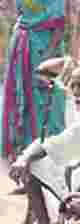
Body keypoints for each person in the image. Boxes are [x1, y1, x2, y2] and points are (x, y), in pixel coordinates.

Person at [7, 63, 80, 224]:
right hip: (79, 187)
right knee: (34, 161)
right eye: (73, 86)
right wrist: (24, 159)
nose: (76, 92)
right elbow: (50, 144)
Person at [3, 0, 68, 162]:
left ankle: (46, 150)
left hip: (44, 48)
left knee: (47, 99)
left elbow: (59, 25)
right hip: (22, 45)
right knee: (20, 96)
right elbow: (19, 13)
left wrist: (48, 54)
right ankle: (22, 148)